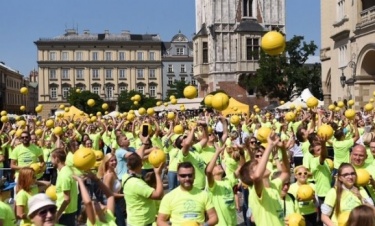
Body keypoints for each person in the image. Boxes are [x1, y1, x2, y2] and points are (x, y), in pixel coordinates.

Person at [239, 133, 290, 226]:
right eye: (257, 165)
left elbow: (286, 173)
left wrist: (282, 149)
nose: (261, 164)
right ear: (251, 176)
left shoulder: (273, 185)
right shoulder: (256, 191)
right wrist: (269, 146)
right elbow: (257, 176)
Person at [205, 143, 244, 225]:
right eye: (215, 166)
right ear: (212, 173)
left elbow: (241, 167)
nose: (218, 165)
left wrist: (242, 152)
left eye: (217, 164)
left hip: (232, 222)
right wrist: (217, 152)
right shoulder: (212, 185)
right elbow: (208, 171)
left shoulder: (227, 180)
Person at [122, 152, 164, 226]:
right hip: (142, 222)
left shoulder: (125, 176)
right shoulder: (137, 184)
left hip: (133, 220)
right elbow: (158, 195)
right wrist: (158, 174)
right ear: (140, 165)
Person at [51, 148, 78, 225]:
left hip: (65, 213)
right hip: (69, 211)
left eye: (51, 159)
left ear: (56, 159)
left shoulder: (64, 175)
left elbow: (66, 199)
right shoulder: (65, 170)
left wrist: (57, 215)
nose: (51, 161)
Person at [97, 153, 124, 226]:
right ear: (107, 163)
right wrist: (124, 195)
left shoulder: (113, 172)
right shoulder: (109, 175)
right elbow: (109, 194)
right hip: (112, 204)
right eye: (111, 161)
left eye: (115, 160)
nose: (114, 162)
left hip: (117, 202)